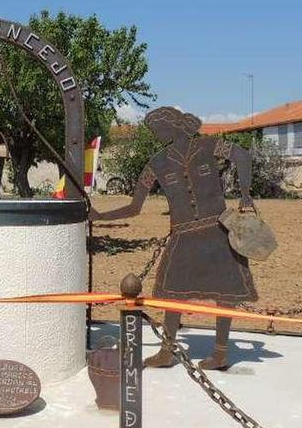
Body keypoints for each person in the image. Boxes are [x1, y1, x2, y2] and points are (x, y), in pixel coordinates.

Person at [91, 106, 258, 371]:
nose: (156, 134)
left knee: (225, 292)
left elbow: (243, 155)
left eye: (158, 129)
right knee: (172, 294)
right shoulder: (156, 163)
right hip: (183, 237)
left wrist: (246, 192)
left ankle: (221, 353)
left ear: (173, 125)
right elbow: (135, 207)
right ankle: (167, 351)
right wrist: (99, 216)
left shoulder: (208, 145)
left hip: (218, 230)